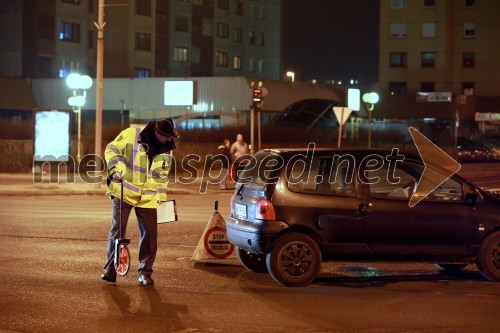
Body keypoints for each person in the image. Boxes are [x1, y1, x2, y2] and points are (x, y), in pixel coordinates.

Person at [101, 119, 179, 286]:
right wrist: (114, 170)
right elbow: (111, 149)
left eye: (170, 137)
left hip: (148, 198)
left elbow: (161, 177)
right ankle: (110, 270)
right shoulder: (131, 134)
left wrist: (161, 200)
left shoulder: (167, 148)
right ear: (157, 133)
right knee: (117, 232)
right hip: (124, 191)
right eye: (166, 137)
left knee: (150, 237)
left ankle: (145, 273)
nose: (169, 140)